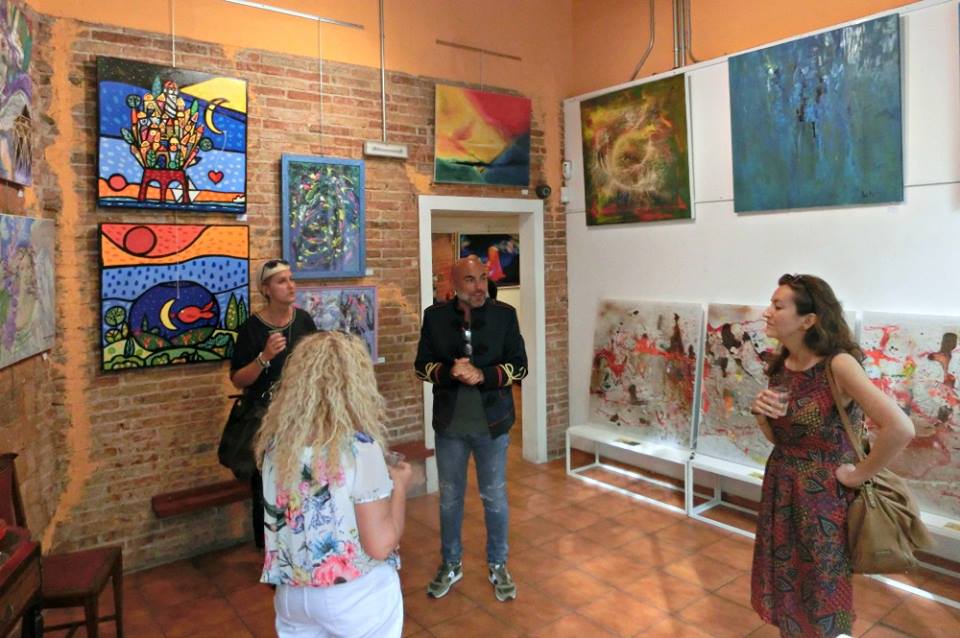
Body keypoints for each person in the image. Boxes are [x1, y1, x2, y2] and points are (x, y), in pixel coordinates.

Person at [750, 274, 915, 638]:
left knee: (822, 586)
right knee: (786, 577)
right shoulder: (782, 364)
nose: (767, 312)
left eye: (778, 306)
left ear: (808, 320)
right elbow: (782, 439)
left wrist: (857, 475)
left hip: (823, 498)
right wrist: (762, 414)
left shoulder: (838, 365)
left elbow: (900, 428)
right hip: (782, 486)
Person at [254, 332, 413, 637]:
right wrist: (401, 486)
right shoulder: (359, 448)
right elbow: (380, 544)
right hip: (353, 594)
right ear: (356, 383)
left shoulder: (276, 444)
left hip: (292, 592)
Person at [414, 255, 528, 602]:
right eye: (470, 280)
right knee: (450, 499)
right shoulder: (434, 317)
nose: (479, 286)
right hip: (450, 426)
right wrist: (449, 372)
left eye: (482, 277)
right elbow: (421, 366)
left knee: (494, 497)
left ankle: (498, 564)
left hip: (493, 425)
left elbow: (520, 367)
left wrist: (483, 375)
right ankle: (451, 563)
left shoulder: (505, 315)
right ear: (454, 284)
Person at [230, 259, 317, 549]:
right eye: (282, 281)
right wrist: (264, 357)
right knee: (266, 484)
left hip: (301, 416)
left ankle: (301, 542)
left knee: (304, 478)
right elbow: (238, 379)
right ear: (266, 289)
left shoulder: (303, 321)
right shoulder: (251, 329)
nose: (291, 286)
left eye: (292, 279)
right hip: (265, 420)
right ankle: (268, 550)